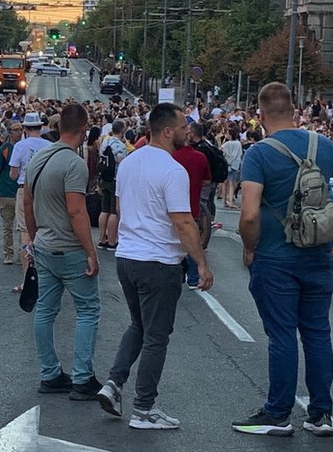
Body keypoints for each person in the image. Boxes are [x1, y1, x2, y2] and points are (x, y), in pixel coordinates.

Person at [234, 82, 333, 437]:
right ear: (294, 110)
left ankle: (278, 413)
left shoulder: (258, 154)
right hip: (318, 256)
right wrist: (332, 225)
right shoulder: (325, 145)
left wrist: (249, 247)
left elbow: (249, 215)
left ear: (260, 114)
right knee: (317, 332)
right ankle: (321, 414)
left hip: (276, 256)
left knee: (282, 334)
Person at [94, 103, 213, 430]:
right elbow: (183, 222)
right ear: (167, 131)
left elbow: (120, 208)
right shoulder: (173, 170)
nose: (188, 132)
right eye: (184, 127)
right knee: (156, 337)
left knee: (138, 325)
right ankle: (144, 409)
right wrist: (201, 263)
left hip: (127, 257)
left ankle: (114, 383)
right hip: (158, 261)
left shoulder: (129, 163)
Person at [23, 104, 102, 401]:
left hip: (44, 244)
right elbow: (76, 210)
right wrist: (90, 251)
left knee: (45, 310)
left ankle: (50, 373)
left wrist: (34, 238)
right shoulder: (74, 164)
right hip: (70, 248)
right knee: (88, 310)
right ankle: (82, 377)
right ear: (83, 129)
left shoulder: (38, 158)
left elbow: (27, 203)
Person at [9, 112, 50, 291]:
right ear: (40, 127)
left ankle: (27, 280)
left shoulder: (20, 146)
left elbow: (13, 174)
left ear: (25, 128)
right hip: (45, 190)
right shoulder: (49, 146)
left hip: (25, 189)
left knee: (25, 232)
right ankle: (45, 278)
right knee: (45, 231)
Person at [171, 133, 212, 289]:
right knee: (193, 240)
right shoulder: (200, 157)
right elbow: (207, 180)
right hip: (192, 204)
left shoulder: (171, 156)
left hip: (171, 207)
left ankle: (177, 273)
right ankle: (194, 277)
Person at [0, 121, 22, 266]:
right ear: (10, 132)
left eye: (21, 130)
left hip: (21, 191)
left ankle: (22, 254)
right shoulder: (4, 149)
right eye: (16, 130)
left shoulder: (23, 148)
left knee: (23, 227)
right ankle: (8, 253)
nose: (19, 133)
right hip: (6, 192)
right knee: (8, 226)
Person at [96, 120, 127, 250]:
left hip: (104, 178)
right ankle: (112, 241)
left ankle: (101, 239)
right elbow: (122, 163)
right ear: (122, 130)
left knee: (104, 209)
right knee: (114, 211)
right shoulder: (121, 146)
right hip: (115, 179)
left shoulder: (105, 142)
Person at [221, 133, 243, 209]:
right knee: (231, 184)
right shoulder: (238, 143)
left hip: (226, 164)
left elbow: (220, 149)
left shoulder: (226, 144)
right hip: (234, 165)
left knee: (224, 183)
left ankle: (224, 201)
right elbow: (240, 154)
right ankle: (231, 201)